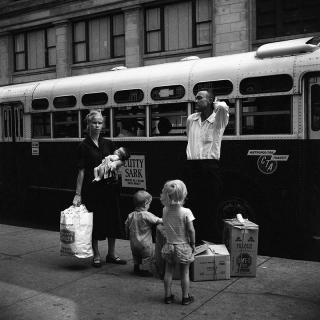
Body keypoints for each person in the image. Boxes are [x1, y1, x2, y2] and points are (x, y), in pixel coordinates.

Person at [73, 109, 127, 267]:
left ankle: (111, 253)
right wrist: (78, 194)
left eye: (99, 123)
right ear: (88, 125)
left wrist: (114, 164)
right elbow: (81, 171)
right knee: (94, 222)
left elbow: (121, 161)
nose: (97, 125)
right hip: (93, 189)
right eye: (94, 123)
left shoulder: (108, 143)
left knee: (112, 219)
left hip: (110, 187)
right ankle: (96, 254)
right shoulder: (83, 146)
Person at [185, 90, 229, 242]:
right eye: (195, 98)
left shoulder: (219, 119)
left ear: (210, 100)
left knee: (210, 207)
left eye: (199, 98)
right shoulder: (191, 119)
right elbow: (189, 139)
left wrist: (214, 102)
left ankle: (211, 242)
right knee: (193, 206)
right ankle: (195, 241)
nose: (195, 101)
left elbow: (223, 107)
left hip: (210, 167)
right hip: (193, 166)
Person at [160, 180, 196, 305]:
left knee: (168, 271)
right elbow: (191, 230)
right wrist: (193, 244)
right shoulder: (186, 212)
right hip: (183, 246)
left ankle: (167, 296)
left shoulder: (165, 210)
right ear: (183, 194)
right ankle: (185, 297)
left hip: (169, 245)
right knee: (184, 273)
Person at [125, 190, 162, 277]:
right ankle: (145, 270)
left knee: (136, 255)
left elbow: (126, 225)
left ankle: (136, 267)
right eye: (149, 204)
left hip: (133, 242)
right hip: (145, 243)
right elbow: (157, 220)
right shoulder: (146, 215)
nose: (149, 206)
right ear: (145, 203)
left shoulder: (131, 215)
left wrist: (127, 235)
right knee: (147, 256)